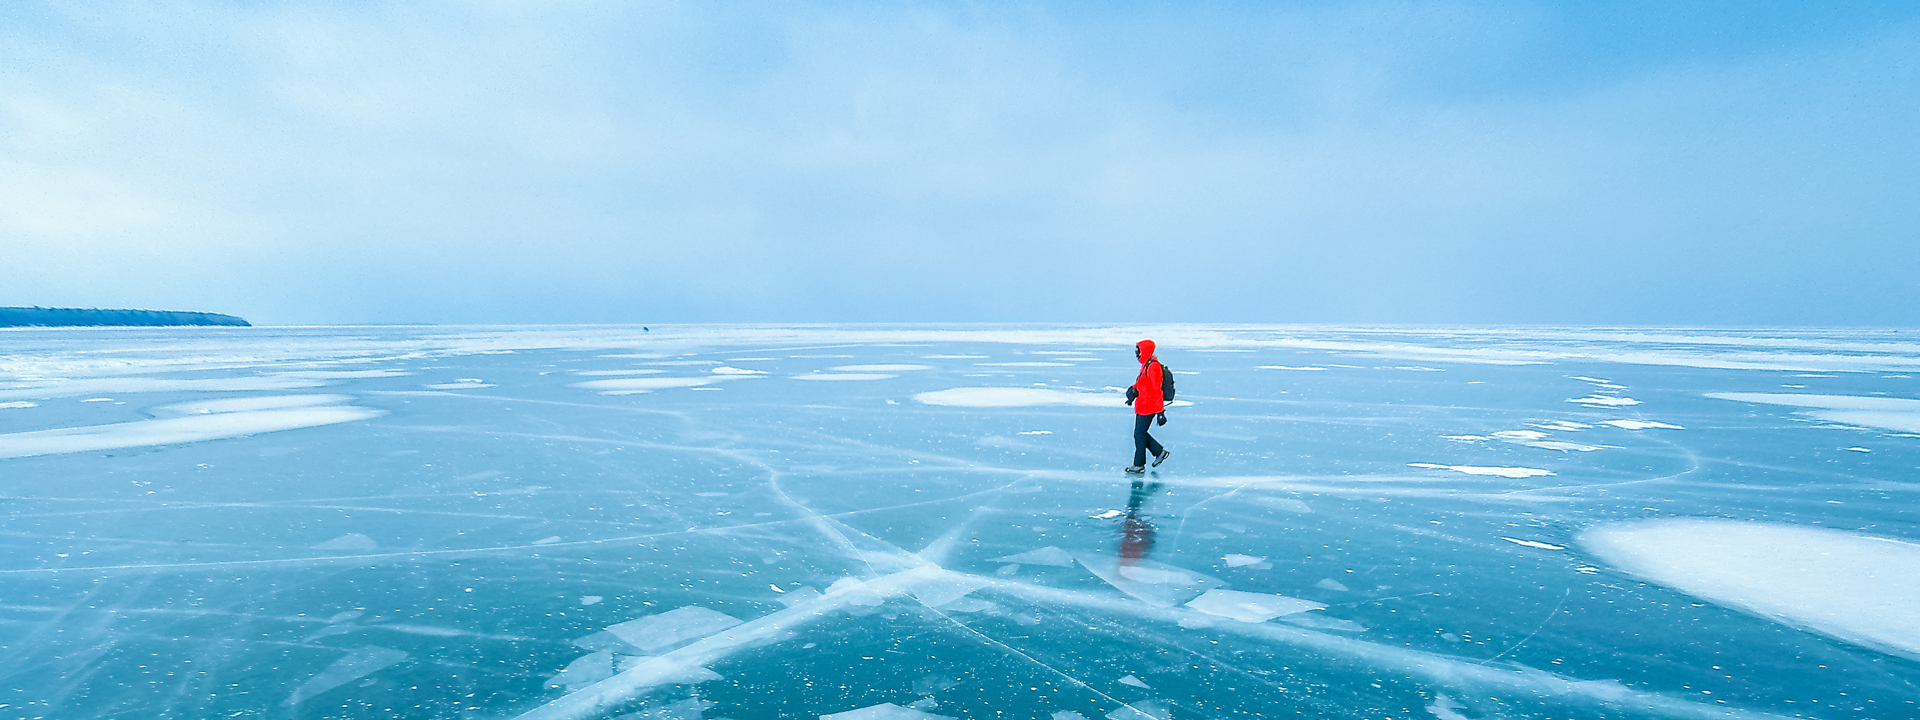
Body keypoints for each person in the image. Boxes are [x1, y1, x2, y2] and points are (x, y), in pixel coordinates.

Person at [1123, 339, 1171, 473]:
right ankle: (1159, 452)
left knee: (1139, 434)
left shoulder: (1153, 367)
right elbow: (1142, 383)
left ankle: (1139, 465)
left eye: (1138, 351)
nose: (1137, 354)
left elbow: (1157, 390)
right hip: (1143, 405)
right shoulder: (1146, 365)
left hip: (1149, 407)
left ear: (1145, 351)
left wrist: (1160, 412)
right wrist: (1133, 390)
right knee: (1140, 433)